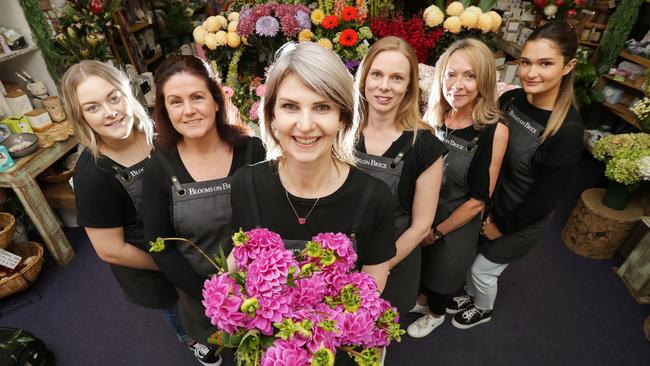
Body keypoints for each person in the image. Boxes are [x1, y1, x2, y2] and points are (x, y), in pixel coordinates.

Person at [229, 42, 396, 364]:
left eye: (322, 107)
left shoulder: (373, 196)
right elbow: (240, 258)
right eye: (291, 106)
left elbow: (374, 274)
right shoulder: (245, 184)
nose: (305, 125)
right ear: (272, 116)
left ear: (343, 118)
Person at [61, 60, 206, 362]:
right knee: (175, 306)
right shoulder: (94, 175)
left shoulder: (158, 132)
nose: (110, 112)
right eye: (93, 107)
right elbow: (110, 249)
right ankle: (190, 339)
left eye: (113, 97)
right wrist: (171, 265)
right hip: (149, 263)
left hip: (189, 241)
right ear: (80, 116)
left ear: (128, 92)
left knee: (202, 297)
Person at [453, 21, 583, 329]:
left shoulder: (567, 131)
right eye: (525, 62)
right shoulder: (511, 99)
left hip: (521, 219)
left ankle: (483, 308)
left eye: (545, 64)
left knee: (483, 270)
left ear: (569, 66)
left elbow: (544, 199)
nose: (530, 72)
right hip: (492, 204)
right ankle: (471, 294)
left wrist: (502, 225)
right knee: (472, 260)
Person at [142, 56, 265, 363]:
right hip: (201, 296)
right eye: (175, 101)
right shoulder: (159, 169)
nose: (189, 110)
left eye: (197, 97)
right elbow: (161, 247)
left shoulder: (253, 151)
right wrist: (210, 297)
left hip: (262, 290)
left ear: (215, 99)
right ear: (165, 110)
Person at [406, 39, 509, 338]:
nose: (458, 85)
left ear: (485, 80)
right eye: (451, 74)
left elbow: (478, 201)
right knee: (423, 266)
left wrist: (436, 231)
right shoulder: (437, 114)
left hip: (457, 220)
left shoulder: (494, 130)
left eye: (470, 75)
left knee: (443, 274)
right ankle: (424, 300)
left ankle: (436, 314)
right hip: (426, 212)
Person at [353, 36, 446, 316]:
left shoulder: (426, 146)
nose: (384, 86)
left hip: (394, 261)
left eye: (396, 78)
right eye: (377, 74)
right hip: (338, 257)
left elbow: (420, 226)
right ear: (364, 78)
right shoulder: (342, 132)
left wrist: (375, 270)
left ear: (409, 86)